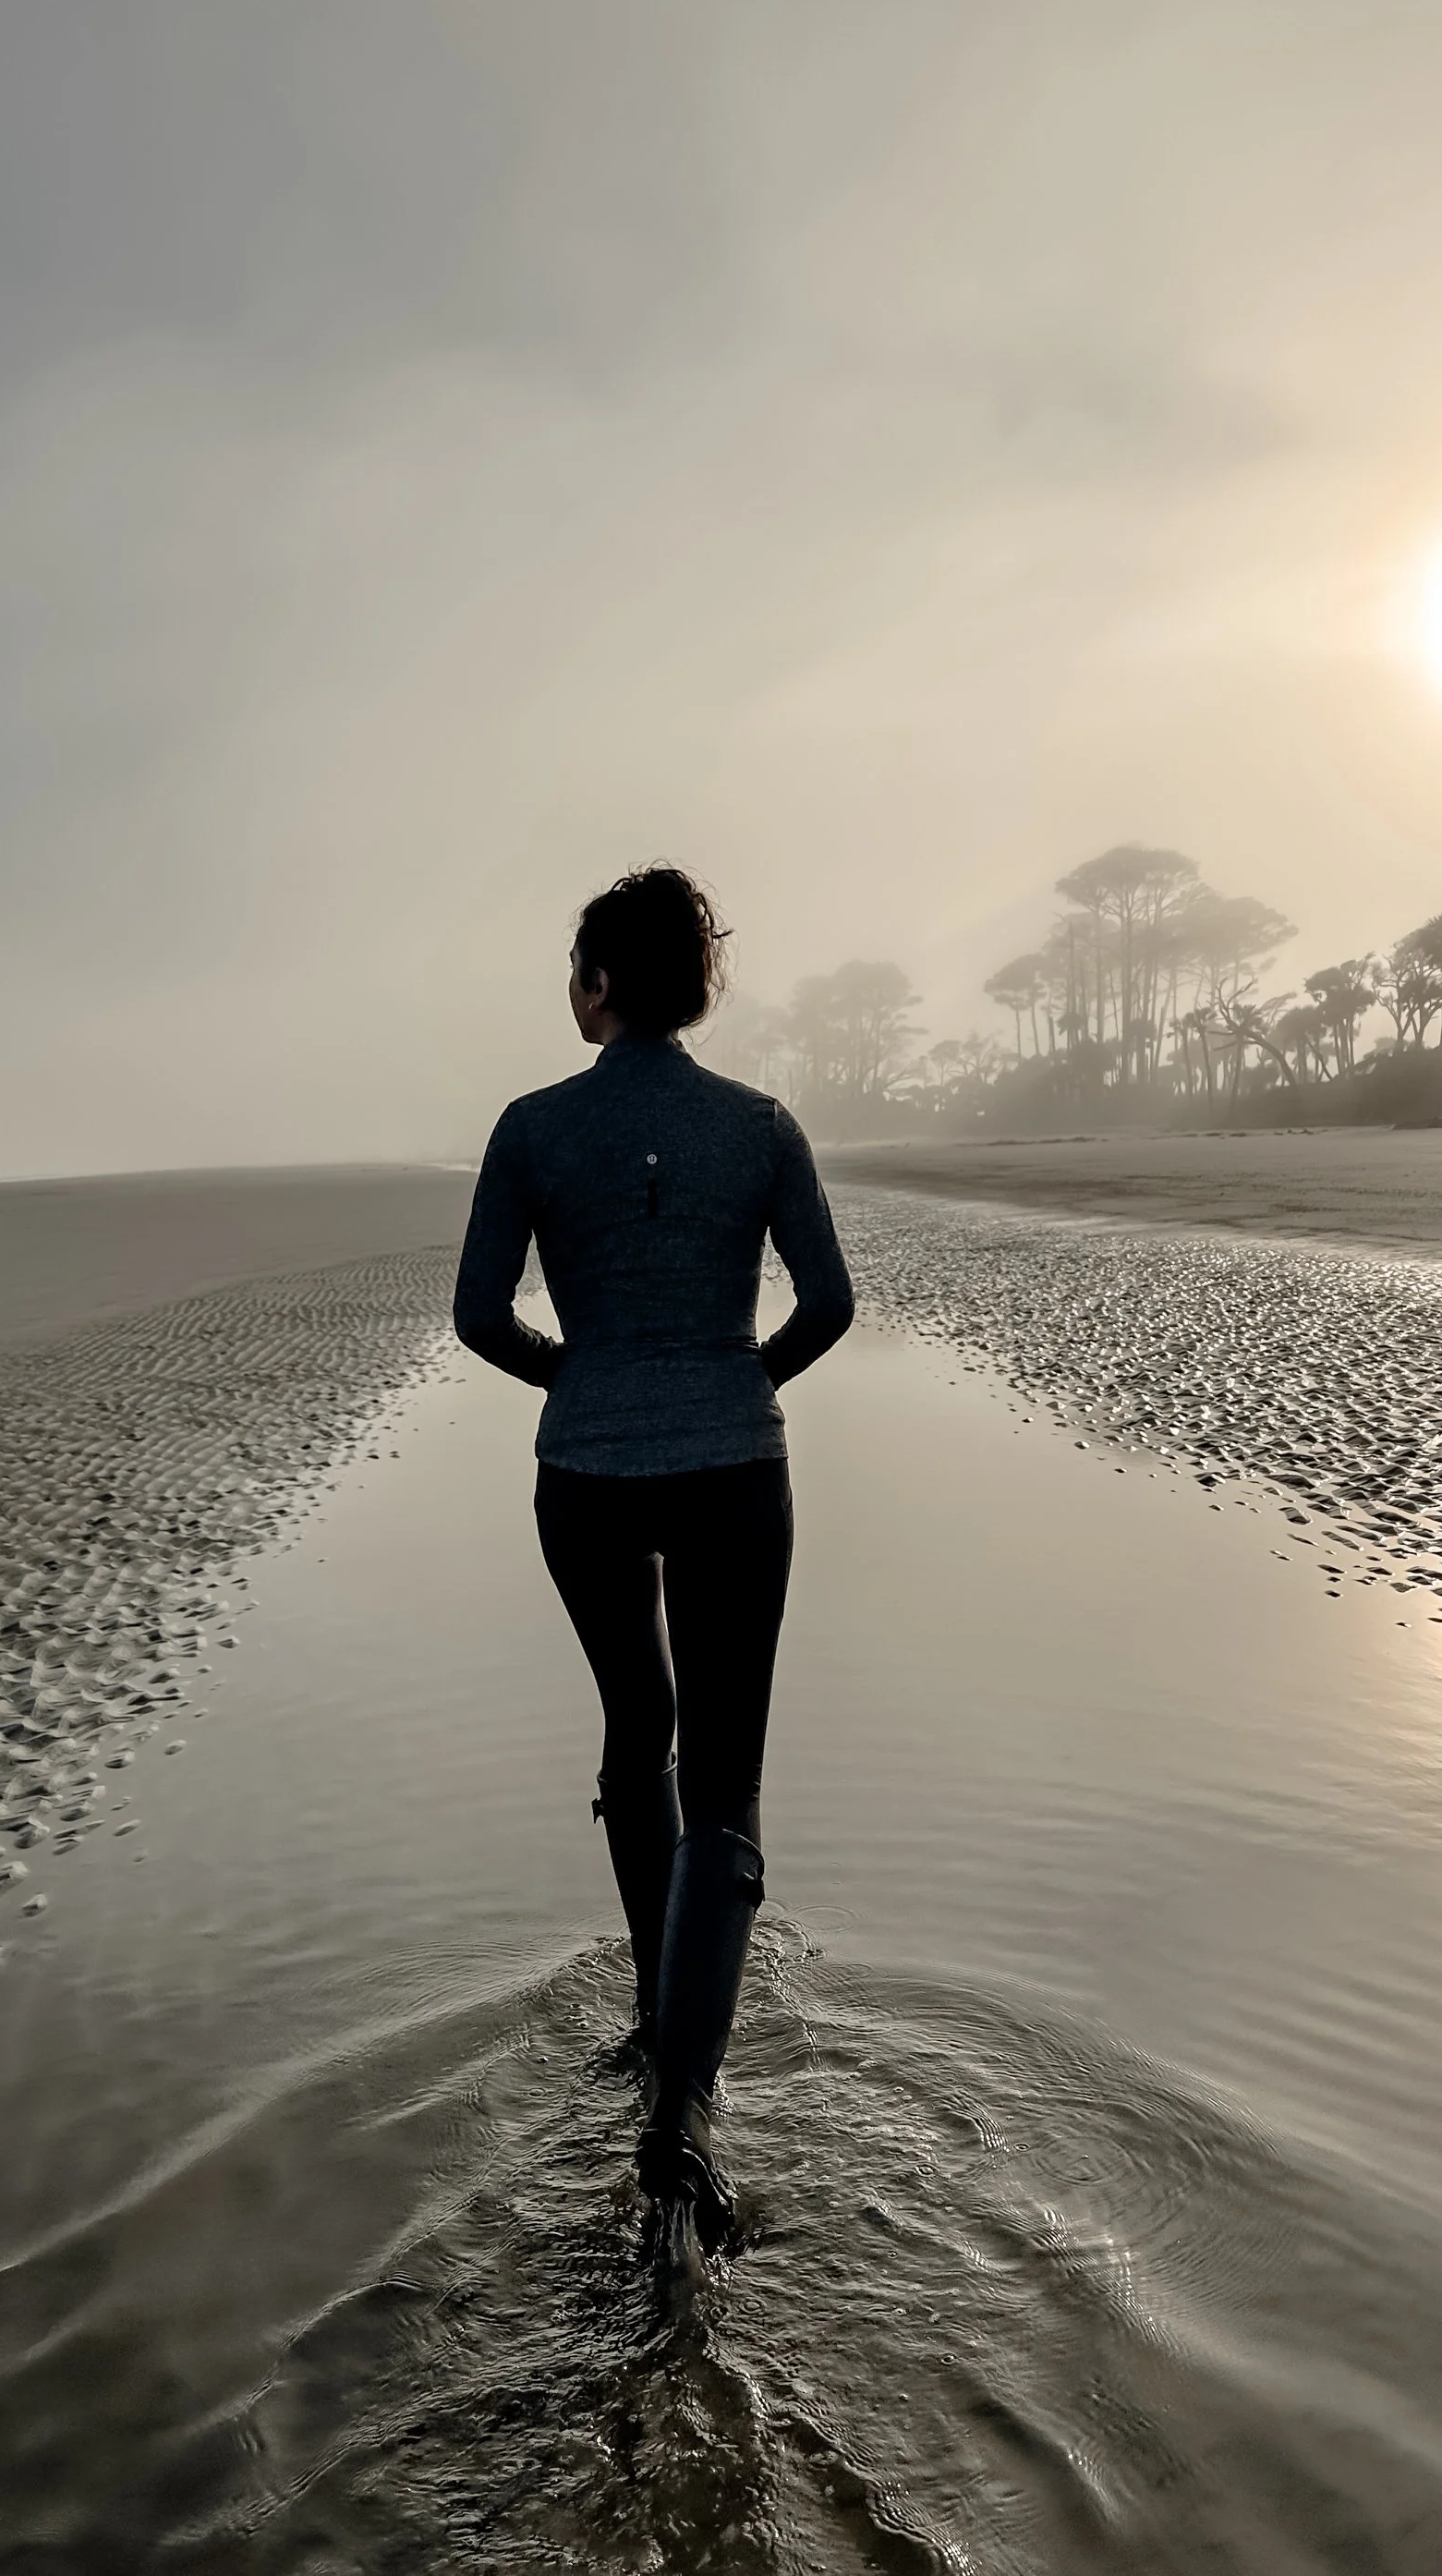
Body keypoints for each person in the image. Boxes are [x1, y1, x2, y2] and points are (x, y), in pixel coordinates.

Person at [453, 867, 853, 2244]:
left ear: (603, 985)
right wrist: (745, 1380)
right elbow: (830, 1303)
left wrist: (580, 1377)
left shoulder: (530, 1129)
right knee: (725, 1787)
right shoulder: (757, 1127)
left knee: (641, 1735)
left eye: (577, 969)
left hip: (589, 1477)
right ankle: (685, 2113)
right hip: (736, 1468)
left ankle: (645, 2013)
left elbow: (475, 1317)